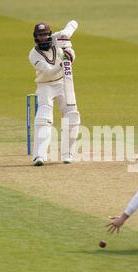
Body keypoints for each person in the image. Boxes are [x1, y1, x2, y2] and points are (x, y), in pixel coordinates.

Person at [28, 22, 80, 166]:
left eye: (45, 34)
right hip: (45, 86)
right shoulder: (33, 55)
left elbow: (71, 26)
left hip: (63, 82)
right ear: (35, 37)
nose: (43, 38)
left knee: (72, 115)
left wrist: (70, 52)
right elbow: (49, 71)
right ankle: (39, 155)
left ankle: (67, 154)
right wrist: (64, 61)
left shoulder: (58, 39)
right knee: (44, 118)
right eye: (40, 35)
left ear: (49, 34)